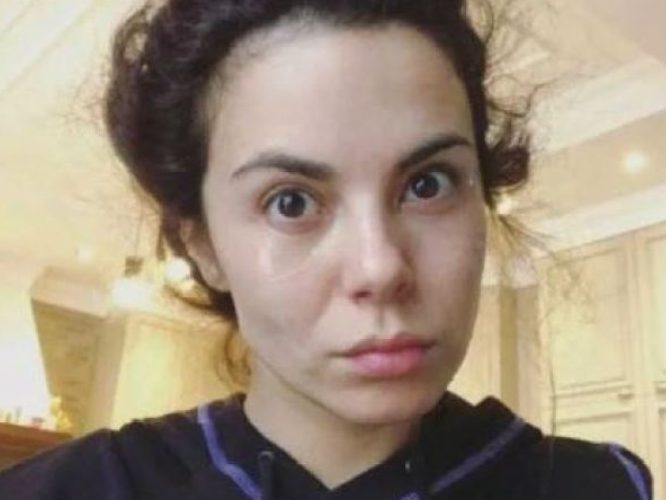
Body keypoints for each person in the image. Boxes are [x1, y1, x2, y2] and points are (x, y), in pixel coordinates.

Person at [0, 0, 654, 498]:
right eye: (291, 202)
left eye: (427, 184)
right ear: (203, 247)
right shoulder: (73, 488)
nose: (381, 267)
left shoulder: (589, 487)